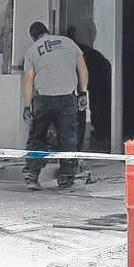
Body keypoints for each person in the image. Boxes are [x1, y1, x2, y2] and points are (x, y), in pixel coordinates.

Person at [22, 21, 88, 191]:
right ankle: (66, 179)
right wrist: (82, 93)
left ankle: (32, 176)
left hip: (43, 98)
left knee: (37, 137)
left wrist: (27, 106)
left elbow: (28, 80)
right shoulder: (69, 43)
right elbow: (83, 69)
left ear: (34, 37)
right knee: (68, 138)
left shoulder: (32, 50)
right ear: (47, 31)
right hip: (67, 97)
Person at [65, 23, 112, 151]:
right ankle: (100, 134)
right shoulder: (90, 54)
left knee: (85, 109)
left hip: (89, 82)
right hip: (91, 83)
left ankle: (92, 138)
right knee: (94, 106)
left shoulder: (76, 52)